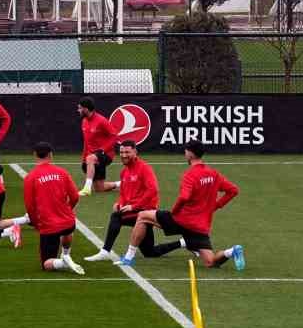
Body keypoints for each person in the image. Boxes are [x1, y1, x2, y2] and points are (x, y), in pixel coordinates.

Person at [122, 140, 243, 270]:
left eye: (185, 151)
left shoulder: (190, 175)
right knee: (211, 262)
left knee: (142, 216)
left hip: (181, 220)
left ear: (190, 154)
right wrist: (215, 206)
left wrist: (174, 211)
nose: (184, 154)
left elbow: (184, 197)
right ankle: (231, 251)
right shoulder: (214, 174)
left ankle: (129, 257)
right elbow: (233, 191)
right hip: (199, 227)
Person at [86, 139, 180, 263]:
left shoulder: (144, 168)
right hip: (135, 212)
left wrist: (134, 206)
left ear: (135, 152)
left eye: (127, 152)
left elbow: (153, 190)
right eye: (121, 152)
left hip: (145, 213)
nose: (124, 155)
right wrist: (119, 204)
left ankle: (105, 251)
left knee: (116, 217)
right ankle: (183, 243)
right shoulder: (124, 172)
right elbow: (124, 194)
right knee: (149, 252)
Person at [22, 142, 85, 274]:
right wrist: (68, 210)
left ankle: (63, 261)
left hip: (48, 226)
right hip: (68, 223)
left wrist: (35, 223)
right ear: (51, 154)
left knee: (46, 264)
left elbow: (30, 206)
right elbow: (75, 196)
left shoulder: (30, 177)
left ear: (35, 155)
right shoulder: (62, 172)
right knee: (68, 231)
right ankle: (66, 253)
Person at [77, 97, 118, 197]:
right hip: (92, 156)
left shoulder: (101, 120)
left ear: (86, 109)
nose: (78, 110)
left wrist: (103, 149)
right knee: (99, 188)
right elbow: (86, 142)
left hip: (106, 154)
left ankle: (86, 189)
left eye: (80, 108)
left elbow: (114, 136)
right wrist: (84, 158)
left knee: (90, 158)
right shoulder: (84, 121)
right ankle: (122, 183)